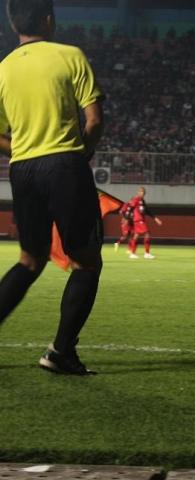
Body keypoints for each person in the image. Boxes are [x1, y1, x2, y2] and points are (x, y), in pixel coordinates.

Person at [0, 0, 104, 375]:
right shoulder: (69, 55)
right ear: (48, 19)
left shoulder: (4, 68)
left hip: (23, 169)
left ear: (15, 26)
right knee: (87, 261)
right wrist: (81, 153)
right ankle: (61, 352)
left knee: (30, 260)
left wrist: (23, 149)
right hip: (64, 165)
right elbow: (94, 120)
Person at [126, 187, 163, 259]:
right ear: (138, 192)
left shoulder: (142, 201)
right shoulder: (136, 199)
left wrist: (155, 218)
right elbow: (130, 208)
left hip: (140, 220)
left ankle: (132, 253)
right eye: (140, 192)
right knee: (147, 233)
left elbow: (147, 211)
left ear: (144, 194)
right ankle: (146, 253)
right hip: (138, 220)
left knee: (136, 236)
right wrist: (127, 218)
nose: (141, 193)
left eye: (142, 192)